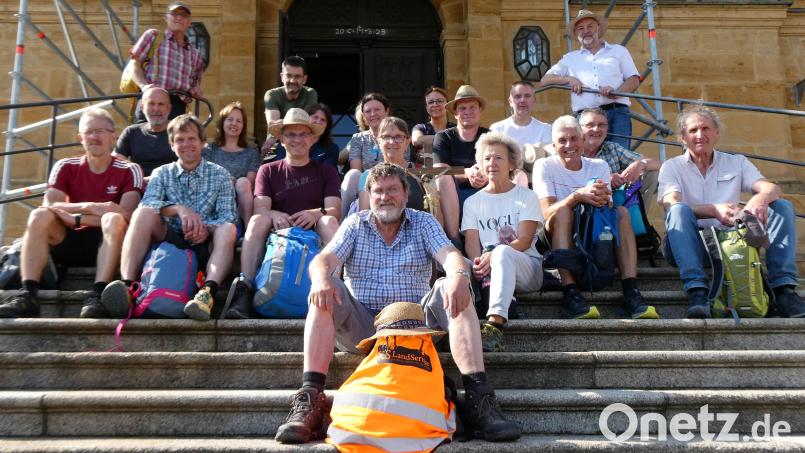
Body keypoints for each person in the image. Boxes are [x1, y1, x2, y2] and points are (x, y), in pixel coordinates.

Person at [274, 163, 521, 444]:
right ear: (369, 196)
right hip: (364, 326)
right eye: (378, 191)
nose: (385, 197)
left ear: (405, 194)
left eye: (392, 190)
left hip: (415, 327)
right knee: (327, 288)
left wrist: (459, 275)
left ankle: (479, 398)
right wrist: (321, 279)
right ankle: (310, 398)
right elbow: (324, 260)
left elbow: (450, 254)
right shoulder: (356, 223)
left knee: (450, 284)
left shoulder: (423, 221)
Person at [659, 105, 805, 318]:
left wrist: (760, 199)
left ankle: (784, 290)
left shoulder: (736, 162)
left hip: (734, 240)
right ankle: (697, 291)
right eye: (693, 130)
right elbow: (670, 204)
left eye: (706, 128)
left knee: (781, 206)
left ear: (716, 132)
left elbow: (773, 188)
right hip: (691, 244)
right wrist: (713, 210)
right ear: (683, 137)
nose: (700, 135)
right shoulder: (672, 167)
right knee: (679, 210)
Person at [0, 109, 143, 318]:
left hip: (109, 241)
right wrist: (94, 207)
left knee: (113, 219)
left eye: (100, 131)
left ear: (113, 135)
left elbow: (126, 214)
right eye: (89, 131)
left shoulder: (130, 169)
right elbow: (49, 206)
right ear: (80, 138)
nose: (94, 137)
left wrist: (77, 215)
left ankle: (98, 293)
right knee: (38, 217)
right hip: (68, 240)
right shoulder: (65, 166)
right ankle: (28, 293)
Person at [100, 114, 238, 321]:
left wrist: (205, 228)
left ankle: (207, 293)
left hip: (205, 243)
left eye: (191, 139)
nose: (186, 144)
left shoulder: (221, 174)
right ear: (172, 145)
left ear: (203, 143)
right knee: (143, 213)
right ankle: (128, 286)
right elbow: (149, 202)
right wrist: (179, 209)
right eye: (180, 140)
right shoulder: (161, 173)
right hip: (169, 237)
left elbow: (229, 215)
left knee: (228, 228)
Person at [532, 115, 657, 320]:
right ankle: (570, 291)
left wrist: (598, 197)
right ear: (554, 145)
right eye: (562, 141)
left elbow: (606, 205)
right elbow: (546, 212)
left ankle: (631, 291)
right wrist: (577, 196)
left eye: (574, 139)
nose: (569, 145)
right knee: (563, 212)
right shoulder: (544, 165)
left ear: (582, 141)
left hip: (590, 228)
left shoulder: (598, 165)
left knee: (621, 212)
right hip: (555, 231)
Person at [224, 108, 341, 319]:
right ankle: (245, 287)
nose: (297, 139)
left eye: (303, 134)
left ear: (313, 139)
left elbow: (334, 209)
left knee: (330, 221)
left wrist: (316, 214)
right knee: (258, 219)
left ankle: (335, 289)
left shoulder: (327, 171)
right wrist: (275, 214)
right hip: (278, 234)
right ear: (282, 139)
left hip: (312, 233)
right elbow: (260, 208)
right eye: (291, 134)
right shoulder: (268, 170)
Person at [462, 132, 544, 352]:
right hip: (488, 269)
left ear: (511, 164)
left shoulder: (526, 196)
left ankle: (495, 323)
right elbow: (471, 243)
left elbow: (525, 240)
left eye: (498, 158)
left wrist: (493, 255)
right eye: (487, 158)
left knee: (501, 252)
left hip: (527, 267)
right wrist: (478, 262)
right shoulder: (472, 202)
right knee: (457, 263)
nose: (491, 163)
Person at [541, 9, 640, 149]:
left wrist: (616, 92)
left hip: (616, 112)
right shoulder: (570, 58)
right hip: (585, 117)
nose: (586, 31)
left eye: (590, 26)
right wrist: (569, 79)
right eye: (581, 28)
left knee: (620, 156)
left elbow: (634, 79)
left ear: (598, 28)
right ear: (576, 33)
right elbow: (545, 80)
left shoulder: (618, 51)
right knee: (587, 156)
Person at [356, 117, 460, 240]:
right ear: (378, 140)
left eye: (398, 137)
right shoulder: (367, 176)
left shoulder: (422, 174)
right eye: (386, 137)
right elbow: (365, 219)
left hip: (420, 240)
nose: (392, 142)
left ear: (407, 141)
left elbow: (436, 217)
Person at [128, 1, 205, 122]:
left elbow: (195, 83)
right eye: (174, 14)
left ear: (189, 22)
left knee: (174, 139)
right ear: (166, 18)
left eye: (184, 15)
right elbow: (134, 65)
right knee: (145, 137)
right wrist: (144, 86)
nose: (179, 17)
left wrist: (196, 91)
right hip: (152, 99)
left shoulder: (195, 54)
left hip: (177, 106)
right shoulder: (153, 36)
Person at [579, 108, 660, 198]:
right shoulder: (571, 151)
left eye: (601, 125)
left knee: (652, 174)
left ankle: (638, 212)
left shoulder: (612, 148)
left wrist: (640, 163)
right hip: (582, 205)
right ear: (579, 130)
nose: (596, 129)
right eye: (590, 125)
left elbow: (658, 163)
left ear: (606, 131)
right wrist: (606, 180)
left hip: (617, 205)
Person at [203, 101, 260, 228]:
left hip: (240, 198)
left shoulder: (252, 152)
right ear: (222, 122)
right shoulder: (209, 149)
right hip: (213, 196)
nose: (234, 124)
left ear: (243, 126)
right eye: (230, 119)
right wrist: (225, 180)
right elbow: (204, 175)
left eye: (239, 121)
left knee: (243, 182)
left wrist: (235, 182)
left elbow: (250, 181)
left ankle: (247, 230)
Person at [433, 85, 490, 204]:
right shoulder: (443, 137)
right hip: (453, 195)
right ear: (455, 113)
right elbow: (440, 171)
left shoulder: (490, 136)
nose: (467, 112)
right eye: (462, 108)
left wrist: (484, 175)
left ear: (480, 110)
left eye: (472, 107)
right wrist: (467, 173)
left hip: (487, 191)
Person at [341, 93, 393, 217]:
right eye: (368, 111)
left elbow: (399, 166)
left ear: (387, 112)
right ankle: (340, 223)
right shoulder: (358, 138)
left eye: (377, 110)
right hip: (364, 186)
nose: (373, 114)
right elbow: (356, 170)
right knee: (353, 174)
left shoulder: (397, 135)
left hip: (391, 180)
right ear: (363, 116)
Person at [262, 56, 319, 153]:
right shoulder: (271, 94)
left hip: (302, 145)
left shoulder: (310, 93)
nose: (292, 80)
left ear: (304, 79)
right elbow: (274, 126)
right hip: (277, 145)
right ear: (282, 77)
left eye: (297, 76)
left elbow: (304, 123)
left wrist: (283, 123)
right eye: (288, 76)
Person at [114, 87, 175, 178]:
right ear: (142, 108)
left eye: (161, 104)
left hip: (172, 184)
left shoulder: (180, 131)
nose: (156, 109)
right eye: (151, 104)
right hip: (138, 185)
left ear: (169, 108)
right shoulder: (131, 132)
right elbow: (116, 160)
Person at [272, 103, 340, 167]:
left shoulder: (332, 149)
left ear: (327, 126)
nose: (318, 121)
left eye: (323, 120)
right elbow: (279, 167)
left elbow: (327, 173)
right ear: (306, 119)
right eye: (315, 117)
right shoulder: (287, 142)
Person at [490, 81, 552, 148]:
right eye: (518, 96)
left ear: (534, 100)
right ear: (510, 101)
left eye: (527, 96)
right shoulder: (497, 129)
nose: (522, 100)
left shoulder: (545, 130)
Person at [411, 86, 455, 165]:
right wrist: (449, 142)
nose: (435, 104)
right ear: (427, 108)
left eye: (439, 101)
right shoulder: (420, 127)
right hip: (426, 173)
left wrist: (429, 145)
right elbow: (416, 140)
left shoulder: (455, 128)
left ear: (447, 104)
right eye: (431, 102)